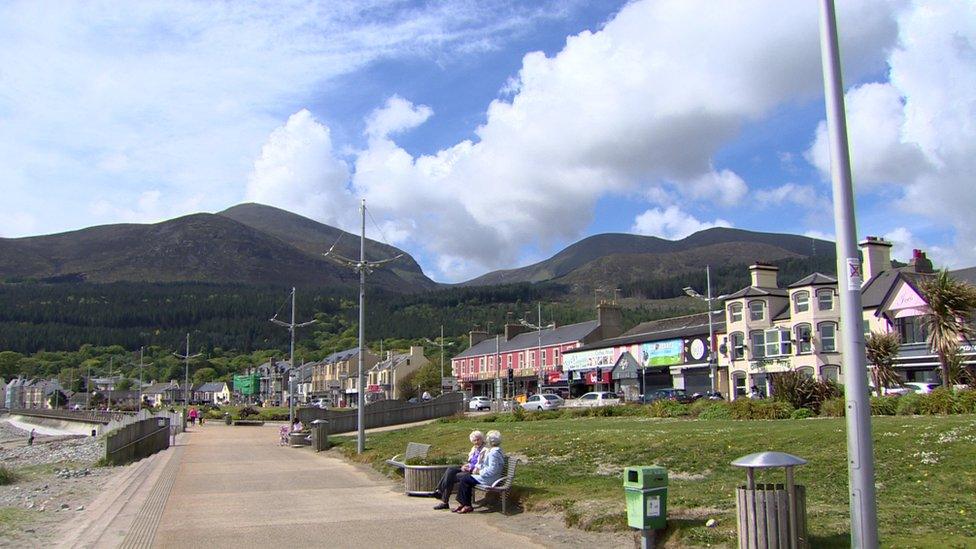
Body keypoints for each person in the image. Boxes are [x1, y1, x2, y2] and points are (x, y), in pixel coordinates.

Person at [453, 430, 505, 514]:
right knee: (465, 478)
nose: (486, 440)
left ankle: (466, 505)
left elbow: (492, 470)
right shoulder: (495, 450)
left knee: (465, 479)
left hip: (491, 479)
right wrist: (478, 468)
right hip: (490, 477)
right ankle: (464, 504)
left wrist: (480, 471)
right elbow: (487, 465)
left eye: (487, 439)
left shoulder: (494, 453)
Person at [432, 431, 485, 510]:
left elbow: (483, 465)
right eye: (474, 441)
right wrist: (466, 466)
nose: (476, 442)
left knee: (451, 476)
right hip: (469, 468)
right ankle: (440, 493)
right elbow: (470, 461)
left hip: (475, 472)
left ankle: (442, 497)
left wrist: (470, 468)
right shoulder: (474, 448)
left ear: (482, 439)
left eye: (478, 439)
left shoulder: (486, 449)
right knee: (450, 470)